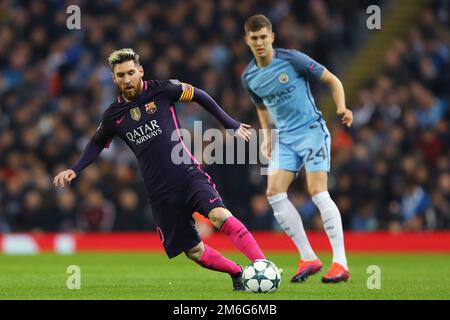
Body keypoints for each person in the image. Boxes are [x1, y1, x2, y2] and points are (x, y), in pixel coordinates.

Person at [53, 48, 267, 290]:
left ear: (140, 71)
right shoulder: (113, 115)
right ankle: (237, 273)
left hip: (187, 174)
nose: (127, 79)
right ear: (114, 79)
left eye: (131, 73)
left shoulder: (164, 90)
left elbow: (200, 95)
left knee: (218, 215)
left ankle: (262, 265)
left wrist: (231, 124)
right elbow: (96, 143)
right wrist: (75, 168)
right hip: (160, 192)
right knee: (194, 251)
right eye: (121, 75)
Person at [241, 15, 353, 283]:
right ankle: (308, 257)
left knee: (317, 191)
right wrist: (268, 137)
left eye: (263, 37)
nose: (259, 42)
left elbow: (332, 80)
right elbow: (262, 107)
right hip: (286, 138)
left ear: (272, 37)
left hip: (312, 131)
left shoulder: (292, 60)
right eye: (253, 38)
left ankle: (340, 262)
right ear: (247, 40)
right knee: (274, 192)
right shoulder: (249, 77)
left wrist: (341, 107)